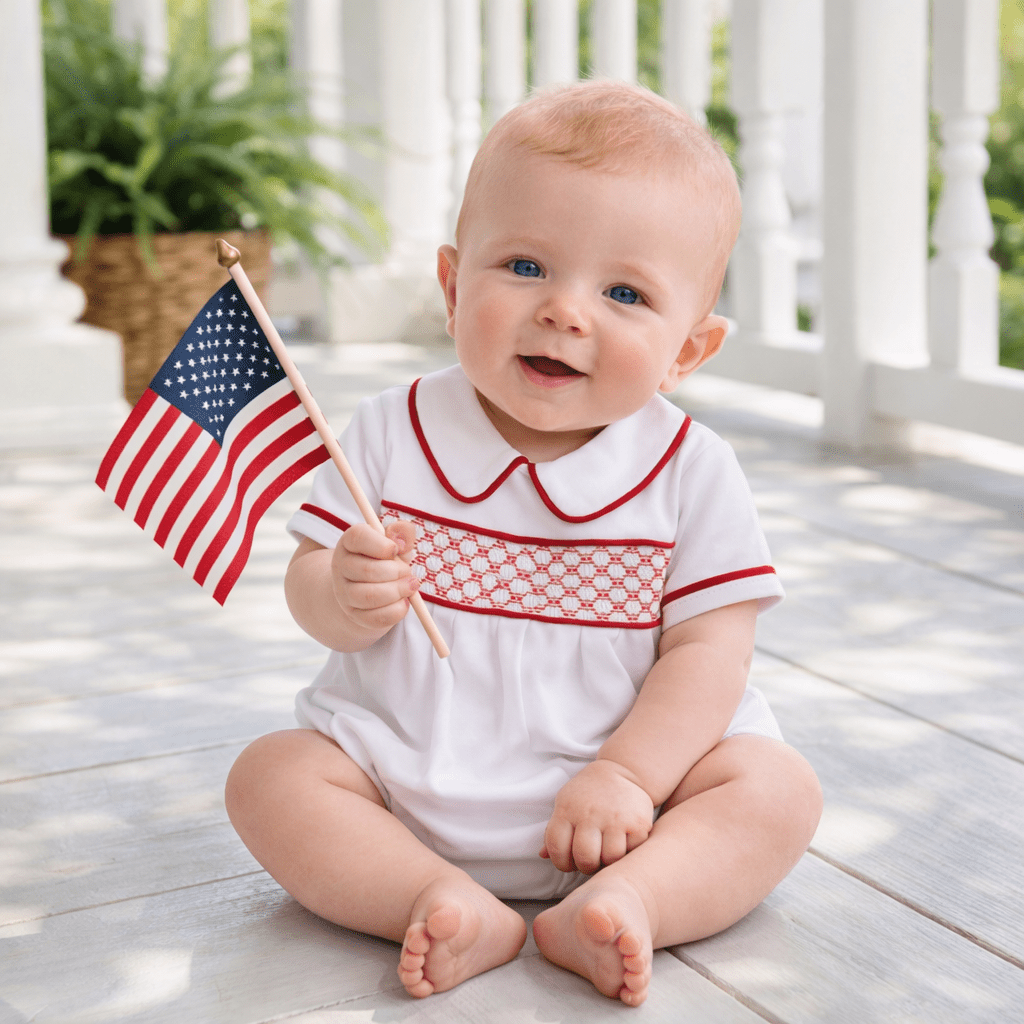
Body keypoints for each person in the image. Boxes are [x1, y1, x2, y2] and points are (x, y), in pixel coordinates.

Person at [225, 79, 822, 1008]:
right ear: (453, 286)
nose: (565, 312)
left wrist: (629, 775)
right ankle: (432, 895)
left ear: (687, 351)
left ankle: (632, 900)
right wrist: (338, 591)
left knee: (775, 789)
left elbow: (712, 653)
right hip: (402, 781)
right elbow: (309, 587)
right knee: (271, 777)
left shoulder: (690, 471)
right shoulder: (390, 430)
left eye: (624, 292)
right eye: (526, 266)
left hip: (627, 809)